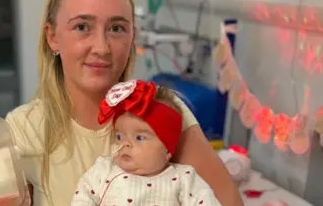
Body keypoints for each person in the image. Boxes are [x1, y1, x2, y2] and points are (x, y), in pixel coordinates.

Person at [0, 0, 243, 206]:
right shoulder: (24, 131)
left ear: (132, 36)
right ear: (53, 37)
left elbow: (228, 202)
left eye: (117, 28)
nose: (101, 47)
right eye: (82, 27)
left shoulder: (159, 109)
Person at [71, 80, 221, 206]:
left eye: (139, 138)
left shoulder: (183, 178)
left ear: (167, 150)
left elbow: (206, 200)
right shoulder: (104, 170)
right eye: (119, 137)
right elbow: (82, 198)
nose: (125, 144)